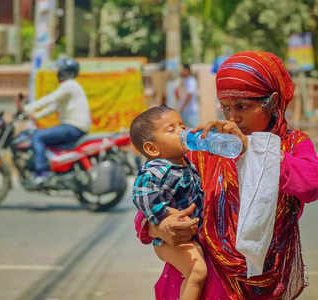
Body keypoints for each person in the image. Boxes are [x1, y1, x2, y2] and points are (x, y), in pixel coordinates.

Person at [134, 51, 318, 299]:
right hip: (204, 283)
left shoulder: (293, 145)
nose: (233, 118)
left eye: (242, 107)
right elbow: (150, 204)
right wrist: (161, 227)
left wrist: (251, 151)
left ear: (273, 102)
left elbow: (310, 185)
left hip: (260, 284)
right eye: (226, 107)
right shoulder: (209, 147)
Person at [130, 106, 208, 300]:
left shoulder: (185, 162)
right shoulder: (157, 170)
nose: (182, 132)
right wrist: (164, 217)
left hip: (190, 234)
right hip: (169, 239)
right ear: (152, 148)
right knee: (197, 271)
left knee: (194, 270)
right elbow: (141, 193)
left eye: (182, 125)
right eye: (171, 129)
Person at [15, 58, 91, 188]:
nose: (58, 72)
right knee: (41, 136)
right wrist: (35, 116)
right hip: (73, 126)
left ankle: (42, 173)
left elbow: (50, 99)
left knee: (37, 136)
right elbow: (53, 107)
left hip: (73, 127)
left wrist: (28, 108)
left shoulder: (70, 85)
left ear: (66, 72)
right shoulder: (70, 87)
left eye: (60, 69)